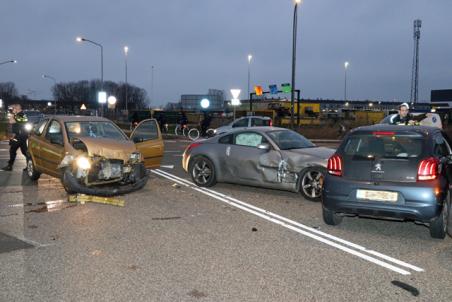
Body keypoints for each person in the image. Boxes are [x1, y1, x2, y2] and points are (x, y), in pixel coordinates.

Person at [2, 104, 29, 171]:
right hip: (21, 136)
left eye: (14, 108)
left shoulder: (21, 115)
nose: (12, 109)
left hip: (19, 136)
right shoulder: (19, 114)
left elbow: (11, 121)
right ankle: (30, 165)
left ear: (17, 108)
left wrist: (13, 114)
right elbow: (12, 122)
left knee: (12, 150)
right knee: (24, 151)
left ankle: (9, 166)